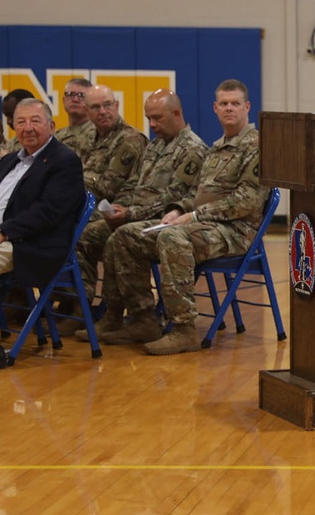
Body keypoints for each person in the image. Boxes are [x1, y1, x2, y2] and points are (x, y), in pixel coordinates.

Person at [97, 80, 268, 355]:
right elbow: (197, 193)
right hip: (203, 224)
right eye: (223, 104)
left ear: (247, 107)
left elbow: (246, 202)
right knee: (126, 236)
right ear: (215, 108)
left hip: (235, 231)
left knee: (172, 237)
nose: (229, 109)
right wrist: (178, 210)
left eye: (235, 103)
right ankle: (144, 320)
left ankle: (184, 329)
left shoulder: (258, 147)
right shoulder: (217, 148)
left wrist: (193, 215)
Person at [69, 89, 207, 337]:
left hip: (166, 222)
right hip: (136, 216)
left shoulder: (192, 150)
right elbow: (132, 184)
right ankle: (93, 311)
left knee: (121, 237)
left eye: (157, 118)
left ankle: (142, 317)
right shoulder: (154, 147)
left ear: (176, 114)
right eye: (149, 118)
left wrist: (130, 213)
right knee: (84, 235)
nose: (152, 124)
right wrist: (119, 207)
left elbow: (173, 200)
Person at [0, 99, 85, 290]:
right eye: (21, 122)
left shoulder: (65, 161)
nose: (28, 128)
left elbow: (48, 212)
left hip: (28, 244)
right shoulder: (8, 161)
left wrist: (4, 232)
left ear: (52, 126)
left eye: (35, 121)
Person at [83, 84, 148, 203]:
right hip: (87, 201)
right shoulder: (88, 137)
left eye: (107, 105)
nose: (102, 111)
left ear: (116, 106)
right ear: (86, 111)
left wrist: (78, 175)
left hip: (115, 208)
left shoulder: (131, 139)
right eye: (95, 107)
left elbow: (110, 188)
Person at [55, 78, 96, 159]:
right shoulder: (56, 137)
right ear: (64, 100)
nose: (75, 99)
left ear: (91, 102)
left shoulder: (98, 135)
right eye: (71, 94)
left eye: (82, 96)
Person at [0, 89, 37, 157]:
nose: (8, 121)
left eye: (11, 115)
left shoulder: (51, 141)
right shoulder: (13, 143)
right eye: (6, 116)